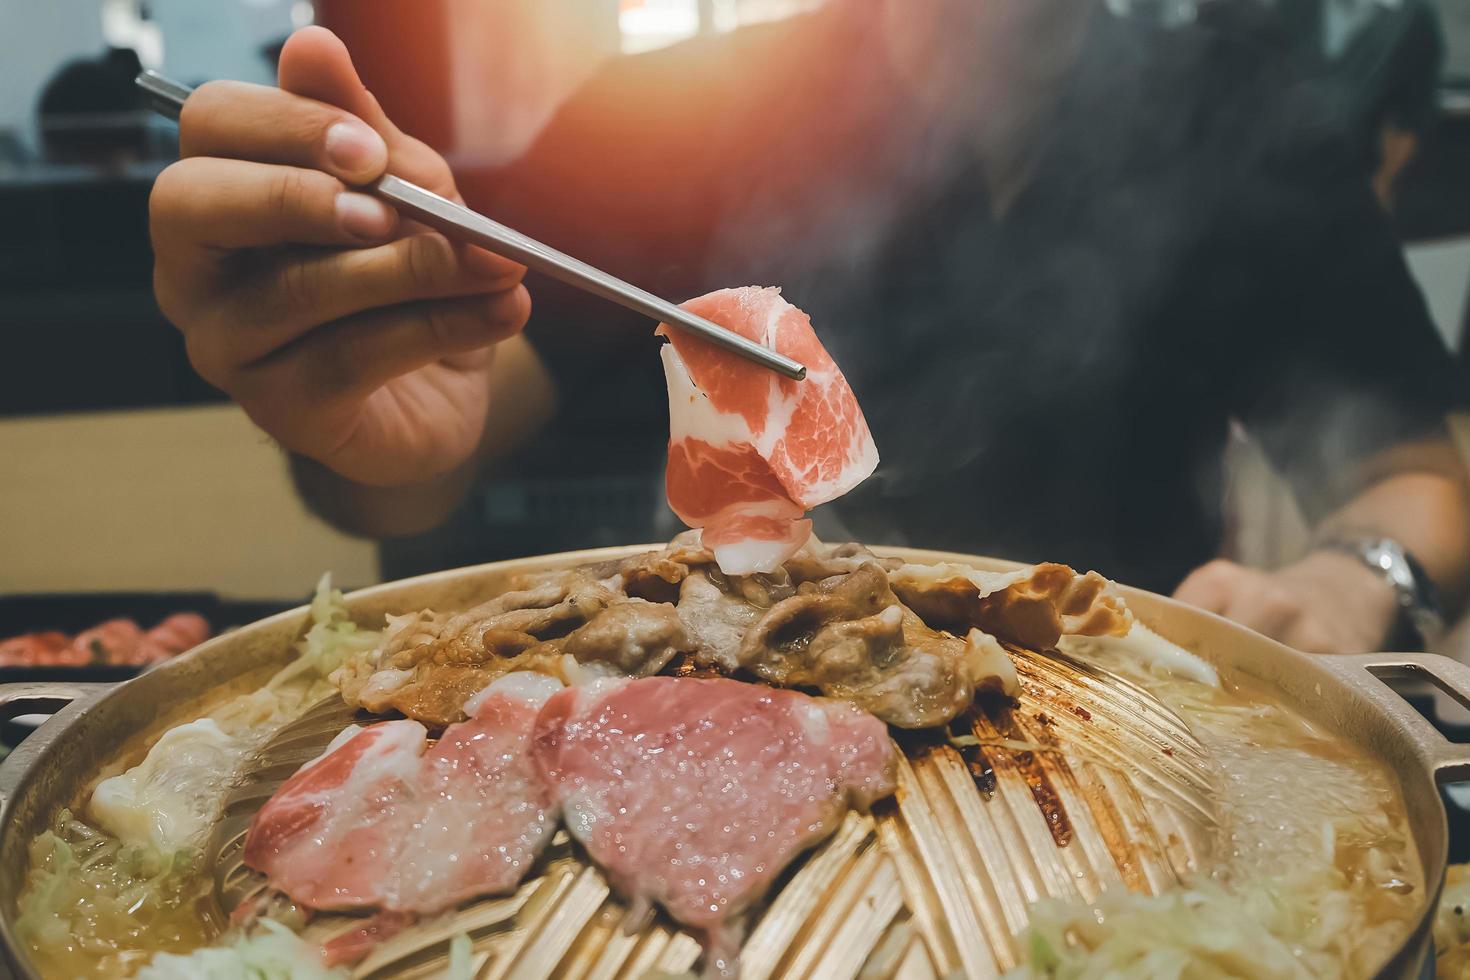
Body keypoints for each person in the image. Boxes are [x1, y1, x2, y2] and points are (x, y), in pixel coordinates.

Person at [147, 2, 1470, 656]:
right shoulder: (671, 114)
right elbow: (432, 429)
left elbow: (1417, 474)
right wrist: (366, 410)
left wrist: (1360, 577)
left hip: (1115, 720)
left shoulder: (1240, 121)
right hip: (750, 709)